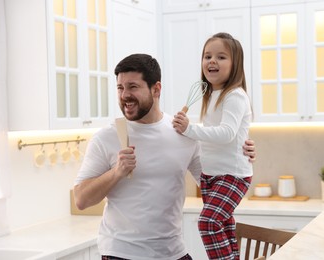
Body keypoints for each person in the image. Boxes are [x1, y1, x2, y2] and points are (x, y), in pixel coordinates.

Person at [73, 53, 256, 260]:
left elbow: (211, 182)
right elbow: (81, 199)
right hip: (121, 253)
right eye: (120, 88)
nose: (124, 95)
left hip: (172, 252)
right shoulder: (106, 137)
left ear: (156, 89)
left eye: (133, 87)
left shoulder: (183, 134)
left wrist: (236, 154)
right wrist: (117, 172)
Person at [172, 33, 253, 260]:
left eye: (221, 57)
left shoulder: (235, 96)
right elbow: (213, 136)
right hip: (212, 175)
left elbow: (226, 134)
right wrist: (188, 130)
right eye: (207, 56)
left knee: (208, 223)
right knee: (225, 226)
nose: (212, 61)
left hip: (232, 175)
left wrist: (189, 129)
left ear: (235, 64)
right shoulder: (211, 95)